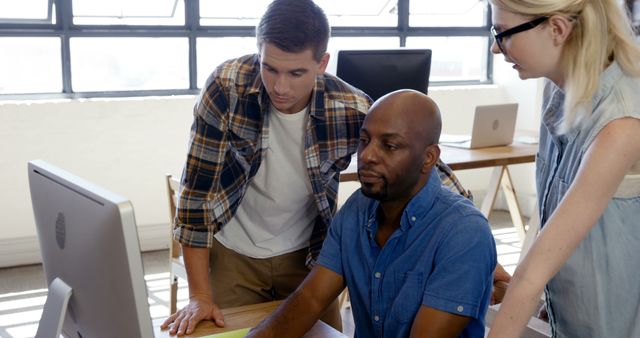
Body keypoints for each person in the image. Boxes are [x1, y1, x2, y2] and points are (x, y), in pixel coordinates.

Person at [161, 0, 470, 336]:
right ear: (258, 52)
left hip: (309, 259)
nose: (280, 87)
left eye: (296, 73)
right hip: (234, 254)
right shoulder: (226, 87)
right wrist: (200, 295)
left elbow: (428, 170)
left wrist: (474, 238)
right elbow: (196, 195)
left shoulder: (349, 106)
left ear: (322, 63)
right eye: (270, 69)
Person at [247, 89, 497, 338]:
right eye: (364, 140)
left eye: (389, 146)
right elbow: (310, 299)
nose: (367, 156)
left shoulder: (465, 232)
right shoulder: (356, 209)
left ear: (429, 157)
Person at [487, 1, 640, 337]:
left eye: (503, 33)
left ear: (557, 29)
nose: (495, 48)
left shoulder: (621, 120)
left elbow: (532, 274)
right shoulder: (558, 92)